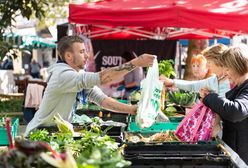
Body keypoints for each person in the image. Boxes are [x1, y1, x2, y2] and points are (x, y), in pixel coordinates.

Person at [25, 35, 155, 136]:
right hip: (39, 135)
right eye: (82, 52)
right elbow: (103, 78)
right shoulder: (63, 74)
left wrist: (131, 109)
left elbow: (102, 100)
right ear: (69, 56)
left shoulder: (78, 73)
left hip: (56, 133)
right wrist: (136, 63)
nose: (87, 56)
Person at [200, 44, 248, 164]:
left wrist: (211, 98)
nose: (225, 74)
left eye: (227, 68)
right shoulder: (239, 88)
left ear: (237, 66)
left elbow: (236, 112)